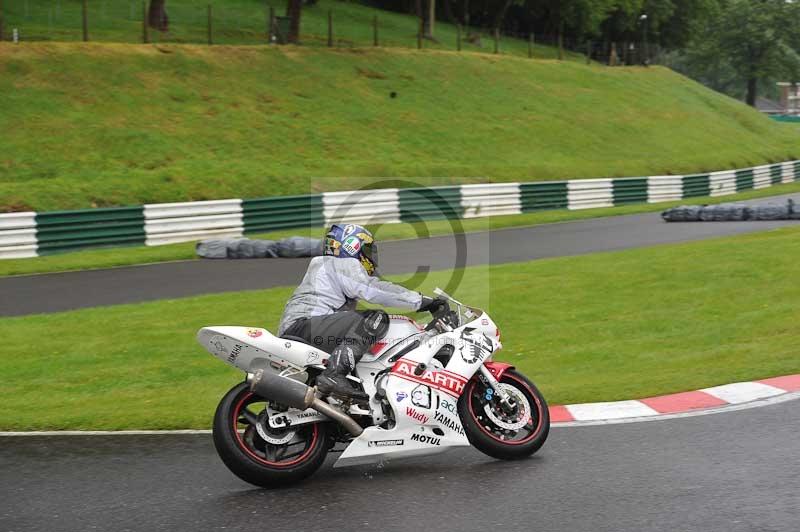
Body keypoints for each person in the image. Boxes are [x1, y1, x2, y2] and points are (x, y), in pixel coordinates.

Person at [278, 223, 445, 400]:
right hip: (305, 325)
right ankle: (334, 375)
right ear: (351, 245)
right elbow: (372, 289)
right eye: (367, 249)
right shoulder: (339, 262)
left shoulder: (327, 265)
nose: (370, 255)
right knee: (375, 318)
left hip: (304, 327)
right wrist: (423, 301)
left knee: (360, 337)